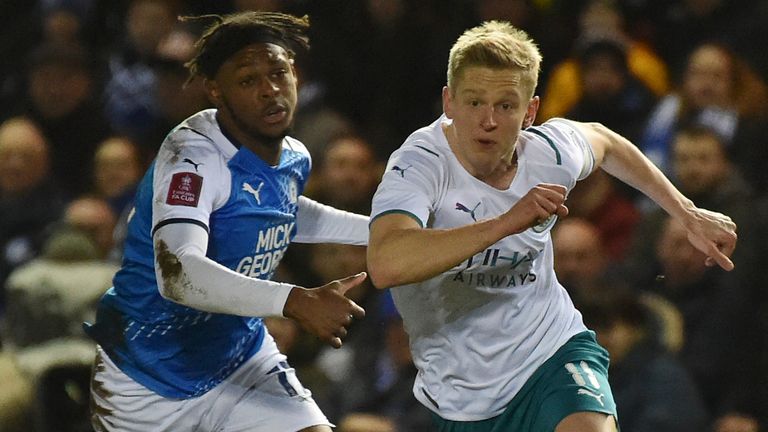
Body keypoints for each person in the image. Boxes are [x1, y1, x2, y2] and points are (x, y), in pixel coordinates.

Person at [367, 21, 737, 432]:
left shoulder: (547, 154)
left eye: (505, 105)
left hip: (550, 352)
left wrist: (686, 213)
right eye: (474, 103)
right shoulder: (418, 165)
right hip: (461, 393)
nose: (488, 120)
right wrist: (506, 223)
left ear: (530, 111)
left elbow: (605, 142)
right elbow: (386, 261)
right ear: (448, 102)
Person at [84, 11, 371, 432]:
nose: (269, 90)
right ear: (216, 90)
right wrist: (294, 300)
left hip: (241, 357)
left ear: (296, 75)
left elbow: (285, 211)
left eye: (277, 73)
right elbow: (178, 273)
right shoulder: (192, 157)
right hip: (147, 377)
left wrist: (380, 229)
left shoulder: (294, 154)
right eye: (248, 81)